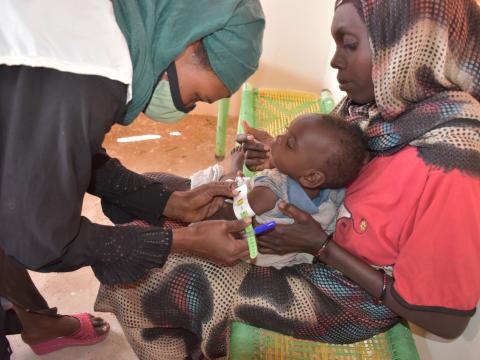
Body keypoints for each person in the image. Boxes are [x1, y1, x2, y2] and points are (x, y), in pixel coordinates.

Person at [95, 0, 480, 358]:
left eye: (349, 44)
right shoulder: (383, 104)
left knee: (148, 271)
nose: (335, 61)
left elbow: (443, 321)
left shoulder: (453, 162)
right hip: (310, 231)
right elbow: (336, 170)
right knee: (150, 188)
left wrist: (322, 246)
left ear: (408, 46)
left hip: (344, 294)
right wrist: (279, 162)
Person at [0, 0, 264, 357]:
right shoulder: (91, 72)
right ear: (186, 43)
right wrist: (180, 241)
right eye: (198, 97)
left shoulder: (108, 27)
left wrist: (167, 202)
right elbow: (44, 240)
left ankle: (36, 323)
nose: (186, 110)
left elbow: (62, 156)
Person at [191, 113, 367, 269]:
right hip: (286, 262)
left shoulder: (271, 189)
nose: (280, 137)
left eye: (290, 143)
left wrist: (227, 180)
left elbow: (230, 216)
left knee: (220, 184)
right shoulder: (333, 193)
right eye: (286, 130)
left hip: (249, 252)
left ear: (311, 177)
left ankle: (232, 169)